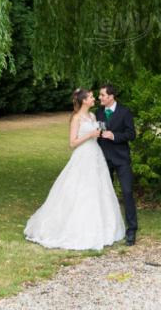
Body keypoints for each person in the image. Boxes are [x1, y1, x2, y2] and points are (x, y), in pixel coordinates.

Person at [24, 88, 125, 250]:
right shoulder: (76, 118)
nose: (95, 99)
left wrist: (101, 133)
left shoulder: (92, 116)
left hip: (96, 155)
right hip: (83, 156)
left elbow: (97, 132)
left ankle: (101, 228)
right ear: (84, 101)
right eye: (92, 97)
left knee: (98, 189)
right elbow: (72, 143)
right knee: (79, 189)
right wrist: (90, 134)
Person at [97, 83, 138, 246]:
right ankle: (106, 228)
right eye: (99, 96)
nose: (100, 98)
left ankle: (132, 230)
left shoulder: (125, 112)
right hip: (103, 159)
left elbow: (131, 134)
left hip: (121, 159)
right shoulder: (98, 112)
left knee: (127, 192)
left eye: (102, 95)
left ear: (111, 96)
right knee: (104, 194)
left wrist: (114, 136)